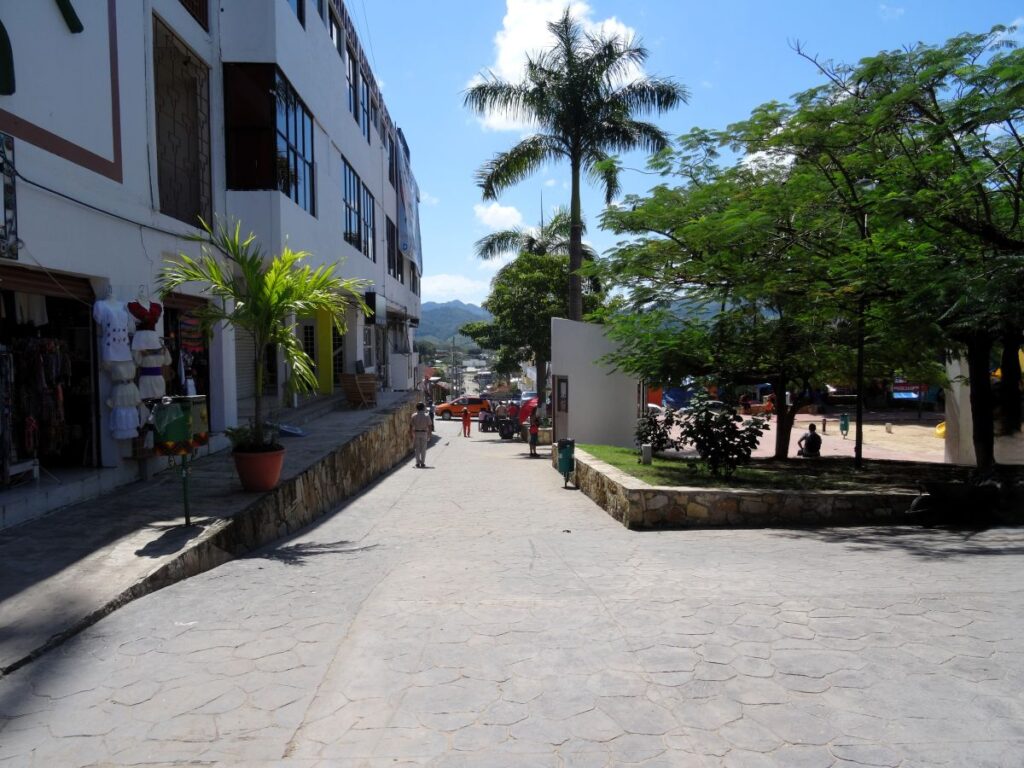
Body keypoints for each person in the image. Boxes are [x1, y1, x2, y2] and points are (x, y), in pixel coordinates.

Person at [410, 402, 433, 468]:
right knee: (423, 449)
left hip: (416, 433)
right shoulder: (427, 415)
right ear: (423, 408)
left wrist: (411, 434)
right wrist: (429, 434)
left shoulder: (414, 415)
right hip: (424, 433)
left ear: (417, 408)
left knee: (417, 449)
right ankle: (422, 463)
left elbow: (411, 426)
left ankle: (417, 463)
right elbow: (430, 426)